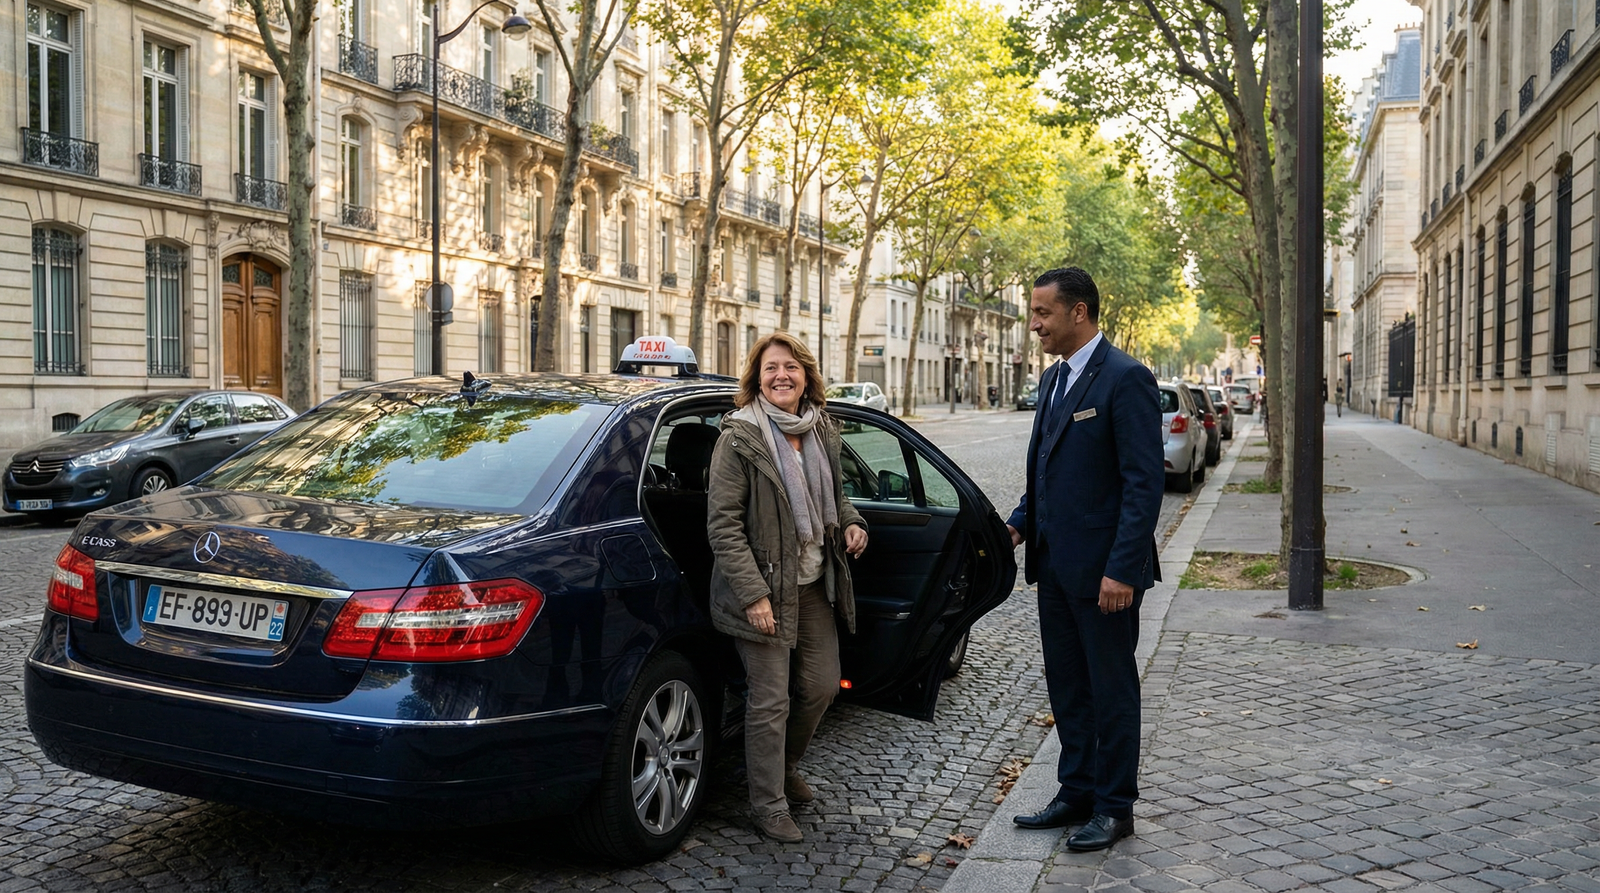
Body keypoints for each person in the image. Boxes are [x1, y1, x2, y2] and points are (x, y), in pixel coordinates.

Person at [1006, 267, 1164, 852]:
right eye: (1033, 313)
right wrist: (1017, 527)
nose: (1035, 324)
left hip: (1106, 576)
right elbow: (1046, 471)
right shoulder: (1052, 382)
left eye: (1043, 313)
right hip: (1056, 568)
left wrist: (1122, 569)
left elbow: (1142, 484)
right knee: (1069, 688)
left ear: (1079, 312)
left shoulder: (1126, 378)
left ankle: (1115, 806)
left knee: (1111, 690)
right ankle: (1076, 791)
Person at [706, 332, 870, 844]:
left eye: (791, 367)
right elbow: (724, 526)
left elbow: (835, 498)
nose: (781, 376)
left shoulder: (820, 430)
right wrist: (753, 596)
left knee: (822, 686)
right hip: (761, 590)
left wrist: (852, 522)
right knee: (770, 700)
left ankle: (784, 767)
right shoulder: (739, 437)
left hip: (813, 583)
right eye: (771, 367)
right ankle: (768, 803)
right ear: (757, 376)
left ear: (806, 376)